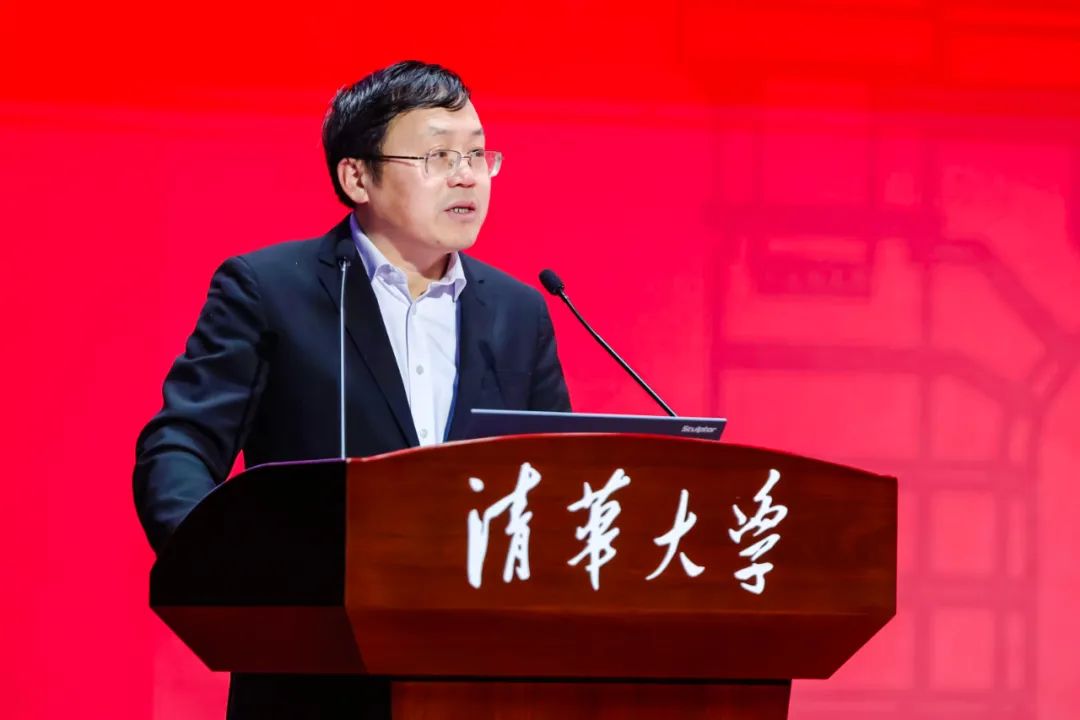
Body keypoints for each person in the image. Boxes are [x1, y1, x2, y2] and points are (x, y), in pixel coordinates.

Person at [133, 60, 572, 719]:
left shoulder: (519, 311)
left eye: (478, 155)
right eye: (438, 155)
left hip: (481, 677)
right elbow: (181, 443)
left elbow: (559, 476)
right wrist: (224, 570)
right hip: (313, 673)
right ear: (356, 177)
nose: (467, 176)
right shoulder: (270, 291)